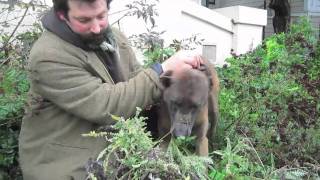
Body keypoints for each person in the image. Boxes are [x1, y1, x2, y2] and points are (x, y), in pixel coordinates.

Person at [18, 0, 203, 179]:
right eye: (84, 20)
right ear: (62, 15)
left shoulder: (114, 38)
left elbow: (137, 79)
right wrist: (162, 70)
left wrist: (177, 77)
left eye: (101, 16)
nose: (97, 28)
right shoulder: (48, 56)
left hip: (115, 154)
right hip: (68, 165)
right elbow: (108, 106)